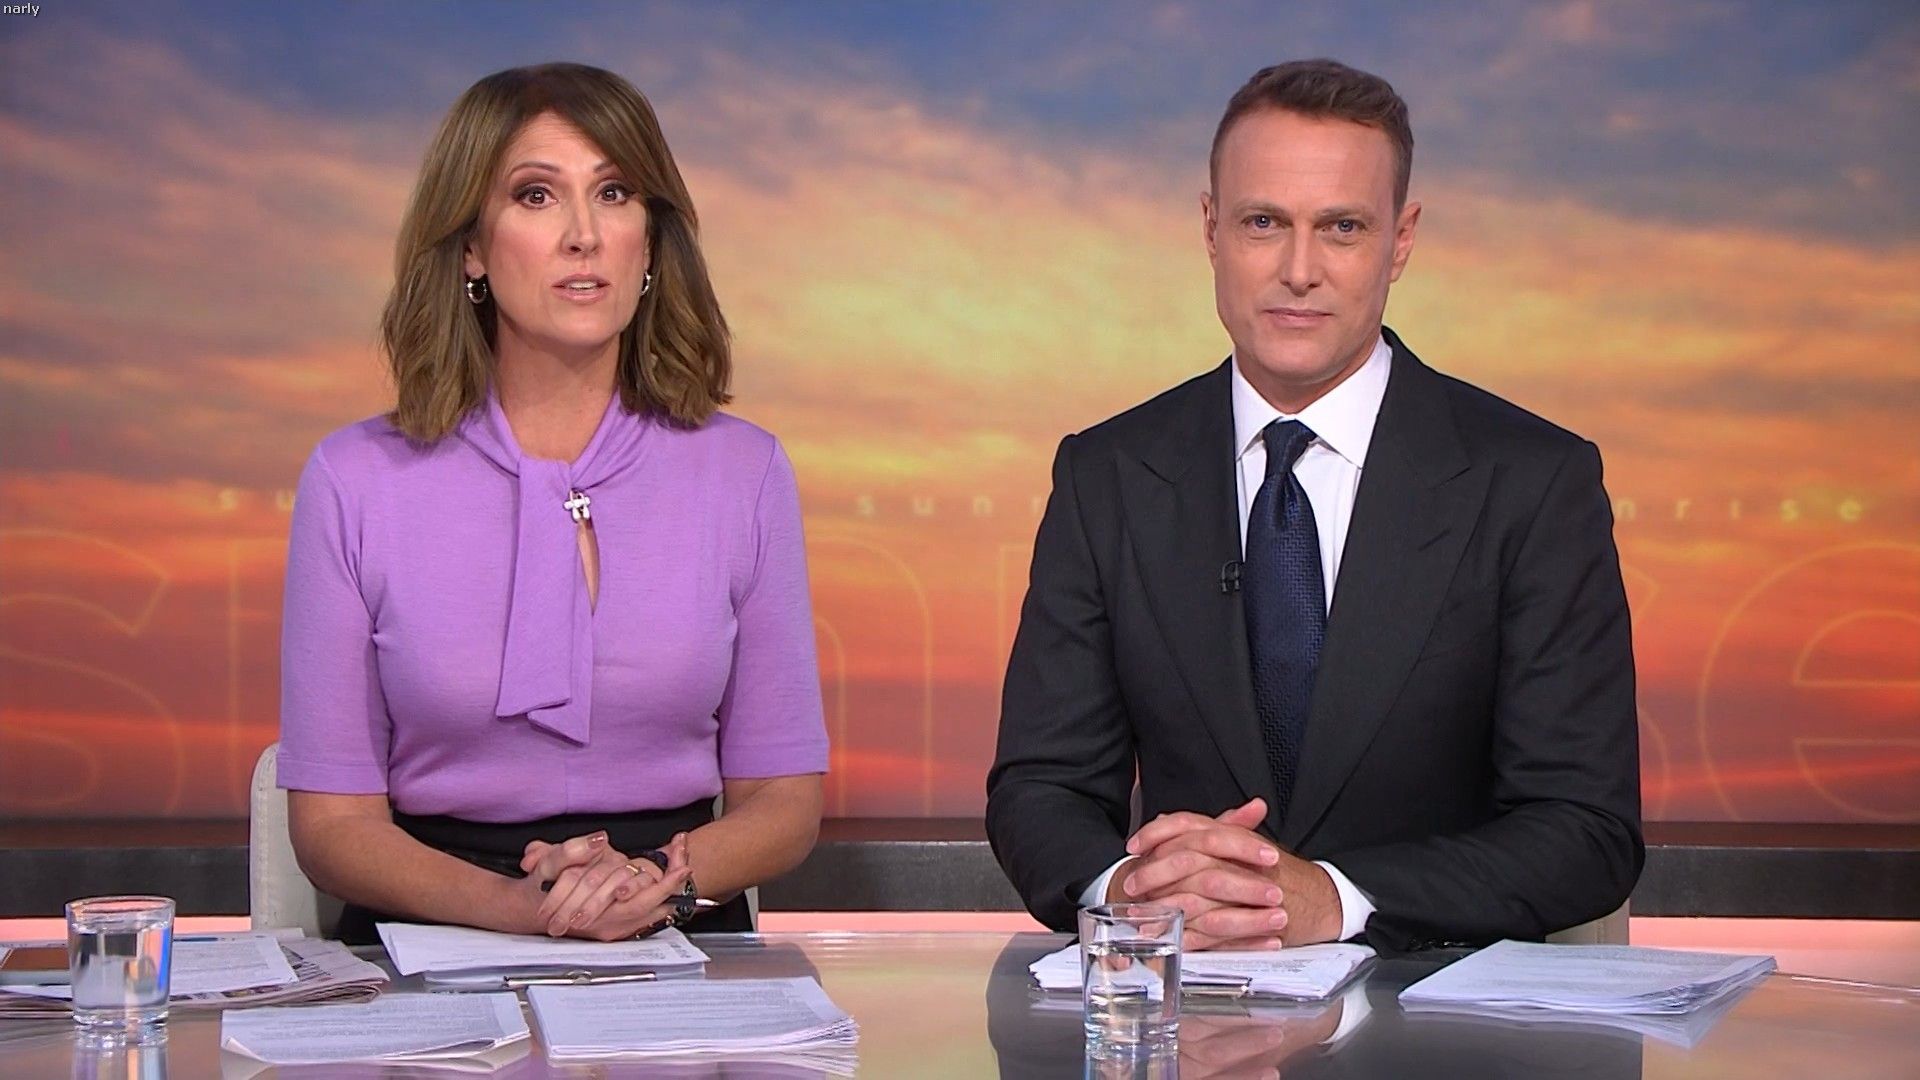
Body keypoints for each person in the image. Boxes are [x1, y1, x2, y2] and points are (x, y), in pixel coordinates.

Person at [986, 59, 1641, 954]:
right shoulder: (1106, 476)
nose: (1300, 271)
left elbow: (1586, 828)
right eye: (1263, 223)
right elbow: (1041, 789)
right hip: (1191, 995)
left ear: (1400, 241)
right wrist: (1136, 893)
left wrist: (1337, 901)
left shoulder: (1533, 481)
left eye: (1342, 227)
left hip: (1442, 1005)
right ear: (1211, 230)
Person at [277, 63, 828, 944]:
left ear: (650, 242)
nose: (583, 235)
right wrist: (521, 910)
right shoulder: (355, 478)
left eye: (614, 193)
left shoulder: (745, 471)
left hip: (673, 921)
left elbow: (784, 803)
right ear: (470, 246)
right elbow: (332, 828)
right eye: (536, 196)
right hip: (432, 932)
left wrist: (656, 885)